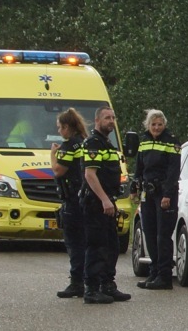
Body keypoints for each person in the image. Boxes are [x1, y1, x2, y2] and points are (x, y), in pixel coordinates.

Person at [79, 105, 130, 303]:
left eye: (113, 117)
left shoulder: (106, 143)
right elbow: (90, 175)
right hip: (96, 203)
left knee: (111, 245)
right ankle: (91, 289)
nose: (111, 121)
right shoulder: (93, 143)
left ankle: (107, 284)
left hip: (107, 201)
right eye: (107, 117)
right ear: (97, 121)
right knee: (97, 245)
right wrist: (104, 200)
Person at [130, 110, 182, 290]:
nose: (157, 127)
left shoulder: (172, 141)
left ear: (164, 124)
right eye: (153, 124)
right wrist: (134, 188)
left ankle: (165, 276)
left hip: (164, 193)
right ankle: (154, 272)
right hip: (147, 193)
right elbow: (139, 167)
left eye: (160, 124)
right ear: (148, 125)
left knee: (162, 236)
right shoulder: (143, 141)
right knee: (150, 234)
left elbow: (174, 171)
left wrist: (167, 194)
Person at [50, 107, 90, 300]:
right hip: (84, 198)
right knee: (86, 241)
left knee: (74, 242)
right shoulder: (84, 143)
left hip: (72, 199)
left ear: (67, 127)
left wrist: (53, 154)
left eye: (60, 127)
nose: (59, 131)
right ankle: (86, 279)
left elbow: (58, 171)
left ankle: (76, 283)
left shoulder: (68, 146)